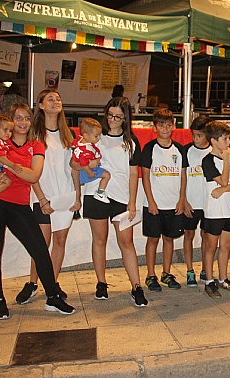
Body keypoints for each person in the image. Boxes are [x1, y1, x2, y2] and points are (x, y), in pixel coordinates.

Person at [0, 102, 75, 319]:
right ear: (10, 121)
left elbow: (33, 176)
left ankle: (52, 297)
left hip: (19, 205)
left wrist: (6, 164)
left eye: (27, 118)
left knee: (40, 250)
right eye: (18, 118)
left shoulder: (36, 145)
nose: (23, 122)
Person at [78, 97, 147, 306]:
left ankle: (136, 286)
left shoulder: (131, 142)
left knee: (126, 241)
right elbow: (78, 159)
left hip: (121, 197)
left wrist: (132, 202)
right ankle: (101, 283)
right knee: (99, 239)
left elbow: (134, 174)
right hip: (96, 193)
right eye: (110, 115)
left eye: (118, 116)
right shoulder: (95, 137)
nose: (113, 120)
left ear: (125, 118)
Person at [15, 89, 80, 305]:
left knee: (60, 241)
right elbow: (30, 170)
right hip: (43, 196)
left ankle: (52, 284)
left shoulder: (68, 135)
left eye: (58, 99)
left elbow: (74, 169)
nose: (55, 102)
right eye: (50, 99)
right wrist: (41, 198)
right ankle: (33, 283)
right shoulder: (34, 134)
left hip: (65, 196)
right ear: (41, 105)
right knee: (41, 245)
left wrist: (77, 196)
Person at [140, 109, 188, 291]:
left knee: (169, 239)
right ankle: (151, 275)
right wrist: (151, 202)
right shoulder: (149, 148)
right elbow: (145, 177)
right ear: (155, 127)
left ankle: (166, 273)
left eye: (169, 125)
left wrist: (182, 200)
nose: (165, 128)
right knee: (153, 240)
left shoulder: (179, 149)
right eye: (161, 125)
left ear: (173, 126)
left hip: (173, 205)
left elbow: (183, 176)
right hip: (154, 205)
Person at [201, 121, 230, 298]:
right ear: (213, 140)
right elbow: (225, 180)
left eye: (229, 138)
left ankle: (223, 278)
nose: (229, 142)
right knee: (211, 246)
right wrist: (226, 160)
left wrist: (223, 190)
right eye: (225, 139)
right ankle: (209, 281)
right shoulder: (208, 161)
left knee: (226, 245)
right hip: (215, 211)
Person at [183, 116, 212, 286]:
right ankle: (189, 270)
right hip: (191, 202)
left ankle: (205, 268)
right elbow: (181, 179)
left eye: (199, 135)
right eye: (193, 135)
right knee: (188, 234)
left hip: (209, 204)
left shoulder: (215, 150)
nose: (195, 139)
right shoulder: (186, 151)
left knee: (207, 236)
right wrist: (184, 201)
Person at [72, 118, 111, 203]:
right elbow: (84, 164)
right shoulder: (86, 150)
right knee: (107, 175)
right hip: (88, 171)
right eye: (96, 136)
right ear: (86, 135)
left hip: (85, 170)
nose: (99, 138)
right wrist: (89, 172)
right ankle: (100, 193)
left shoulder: (80, 141)